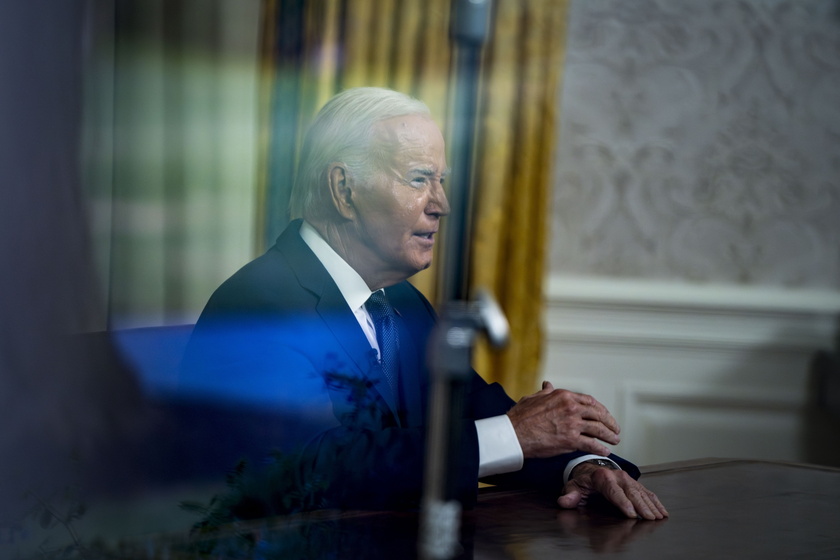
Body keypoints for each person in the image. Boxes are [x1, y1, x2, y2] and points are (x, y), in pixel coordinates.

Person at [181, 87, 667, 520]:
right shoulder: (260, 303)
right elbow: (319, 468)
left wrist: (581, 463)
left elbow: (470, 411)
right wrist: (516, 433)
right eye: (419, 179)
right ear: (343, 190)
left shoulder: (399, 301)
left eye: (441, 180)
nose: (441, 204)